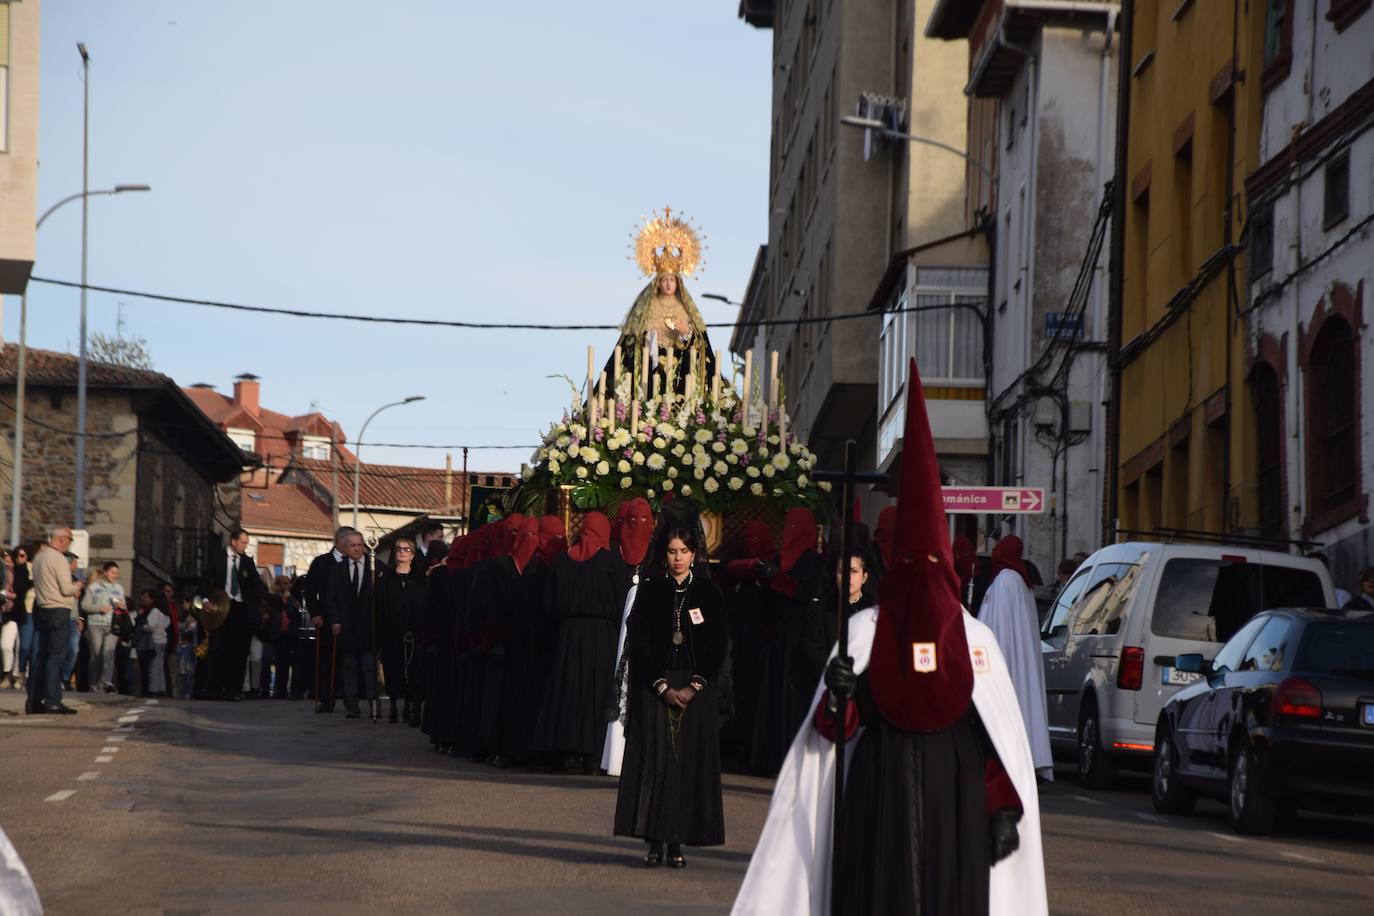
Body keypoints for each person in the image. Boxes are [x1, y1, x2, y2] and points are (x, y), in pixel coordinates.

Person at [733, 358, 1045, 916]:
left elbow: (988, 734)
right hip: (880, 795)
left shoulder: (974, 641)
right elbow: (836, 732)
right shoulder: (865, 630)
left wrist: (1002, 809)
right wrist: (838, 693)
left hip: (954, 801)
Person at [613, 505, 727, 868]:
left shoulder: (708, 593)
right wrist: (661, 685)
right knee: (655, 763)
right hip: (656, 687)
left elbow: (717, 644)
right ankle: (653, 839)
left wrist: (694, 685)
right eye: (672, 551)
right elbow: (640, 642)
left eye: (684, 551)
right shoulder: (651, 591)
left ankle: (677, 840)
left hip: (695, 690)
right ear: (664, 553)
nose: (678, 558)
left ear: (694, 553)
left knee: (684, 766)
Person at [533, 512, 621, 774]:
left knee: (568, 692)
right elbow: (620, 603)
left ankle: (569, 755)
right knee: (596, 693)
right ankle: (593, 757)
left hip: (568, 636)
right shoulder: (611, 562)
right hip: (601, 636)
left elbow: (548, 603)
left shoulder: (562, 562)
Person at [977, 535, 1053, 780]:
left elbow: (995, 624)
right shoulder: (1022, 581)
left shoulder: (1005, 580)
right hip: (1020, 660)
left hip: (1005, 659)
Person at [604, 498, 655, 776]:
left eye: (644, 521)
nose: (638, 527)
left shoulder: (656, 558)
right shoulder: (612, 556)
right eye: (632, 521)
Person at [201, 529, 264, 700]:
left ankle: (233, 690)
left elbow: (257, 585)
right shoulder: (217, 558)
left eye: (246, 543)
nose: (245, 546)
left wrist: (264, 602)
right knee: (218, 648)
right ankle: (213, 689)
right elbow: (206, 581)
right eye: (243, 543)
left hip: (240, 609)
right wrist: (206, 600)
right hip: (220, 608)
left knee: (239, 651)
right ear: (233, 542)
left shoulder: (247, 562)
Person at [27, 526, 83, 715]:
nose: (70, 543)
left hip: (41, 608)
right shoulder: (58, 558)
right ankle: (52, 700)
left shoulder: (39, 557)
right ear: (61, 539)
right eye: (70, 539)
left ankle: (34, 700)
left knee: (40, 656)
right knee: (56, 656)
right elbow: (66, 589)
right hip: (58, 609)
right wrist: (77, 585)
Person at [326, 530, 377, 719]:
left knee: (369, 666)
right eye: (353, 545)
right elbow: (329, 598)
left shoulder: (375, 567)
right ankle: (351, 703)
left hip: (367, 626)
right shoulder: (337, 570)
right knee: (349, 666)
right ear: (345, 548)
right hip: (346, 625)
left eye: (360, 545)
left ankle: (373, 702)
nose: (357, 549)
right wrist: (335, 620)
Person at [377, 538, 427, 724]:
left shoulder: (420, 580)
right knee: (393, 669)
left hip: (414, 633)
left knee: (413, 671)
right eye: (398, 549)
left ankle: (410, 706)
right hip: (392, 632)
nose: (402, 552)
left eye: (407, 549)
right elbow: (382, 607)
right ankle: (393, 708)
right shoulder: (386, 579)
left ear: (413, 555)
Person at [306, 527, 353, 712]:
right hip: (326, 619)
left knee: (347, 659)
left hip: (348, 619)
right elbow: (310, 591)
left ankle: (349, 697)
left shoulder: (354, 563)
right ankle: (326, 699)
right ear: (340, 542)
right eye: (350, 543)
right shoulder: (321, 563)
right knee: (326, 661)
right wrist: (315, 613)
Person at [81, 561, 125, 694]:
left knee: (109, 653)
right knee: (97, 655)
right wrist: (99, 608)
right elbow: (85, 606)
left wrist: (122, 606)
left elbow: (124, 607)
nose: (115, 575)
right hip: (96, 624)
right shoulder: (94, 587)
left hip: (112, 625)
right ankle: (93, 683)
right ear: (105, 572)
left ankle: (106, 682)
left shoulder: (119, 589)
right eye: (112, 572)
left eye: (117, 573)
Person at [10, 546, 34, 690]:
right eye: (17, 556)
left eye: (22, 556)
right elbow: (19, 587)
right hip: (26, 612)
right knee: (24, 646)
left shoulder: (36, 567)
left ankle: (32, 676)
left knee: (35, 647)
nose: (19, 558)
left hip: (39, 612)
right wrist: (33, 581)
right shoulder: (19, 570)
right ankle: (21, 672)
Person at [177, 608, 200, 701]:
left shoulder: (194, 629)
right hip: (183, 665)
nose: (188, 618)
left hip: (188, 665)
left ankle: (189, 693)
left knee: (189, 679)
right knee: (183, 679)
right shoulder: (182, 645)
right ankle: (184, 693)